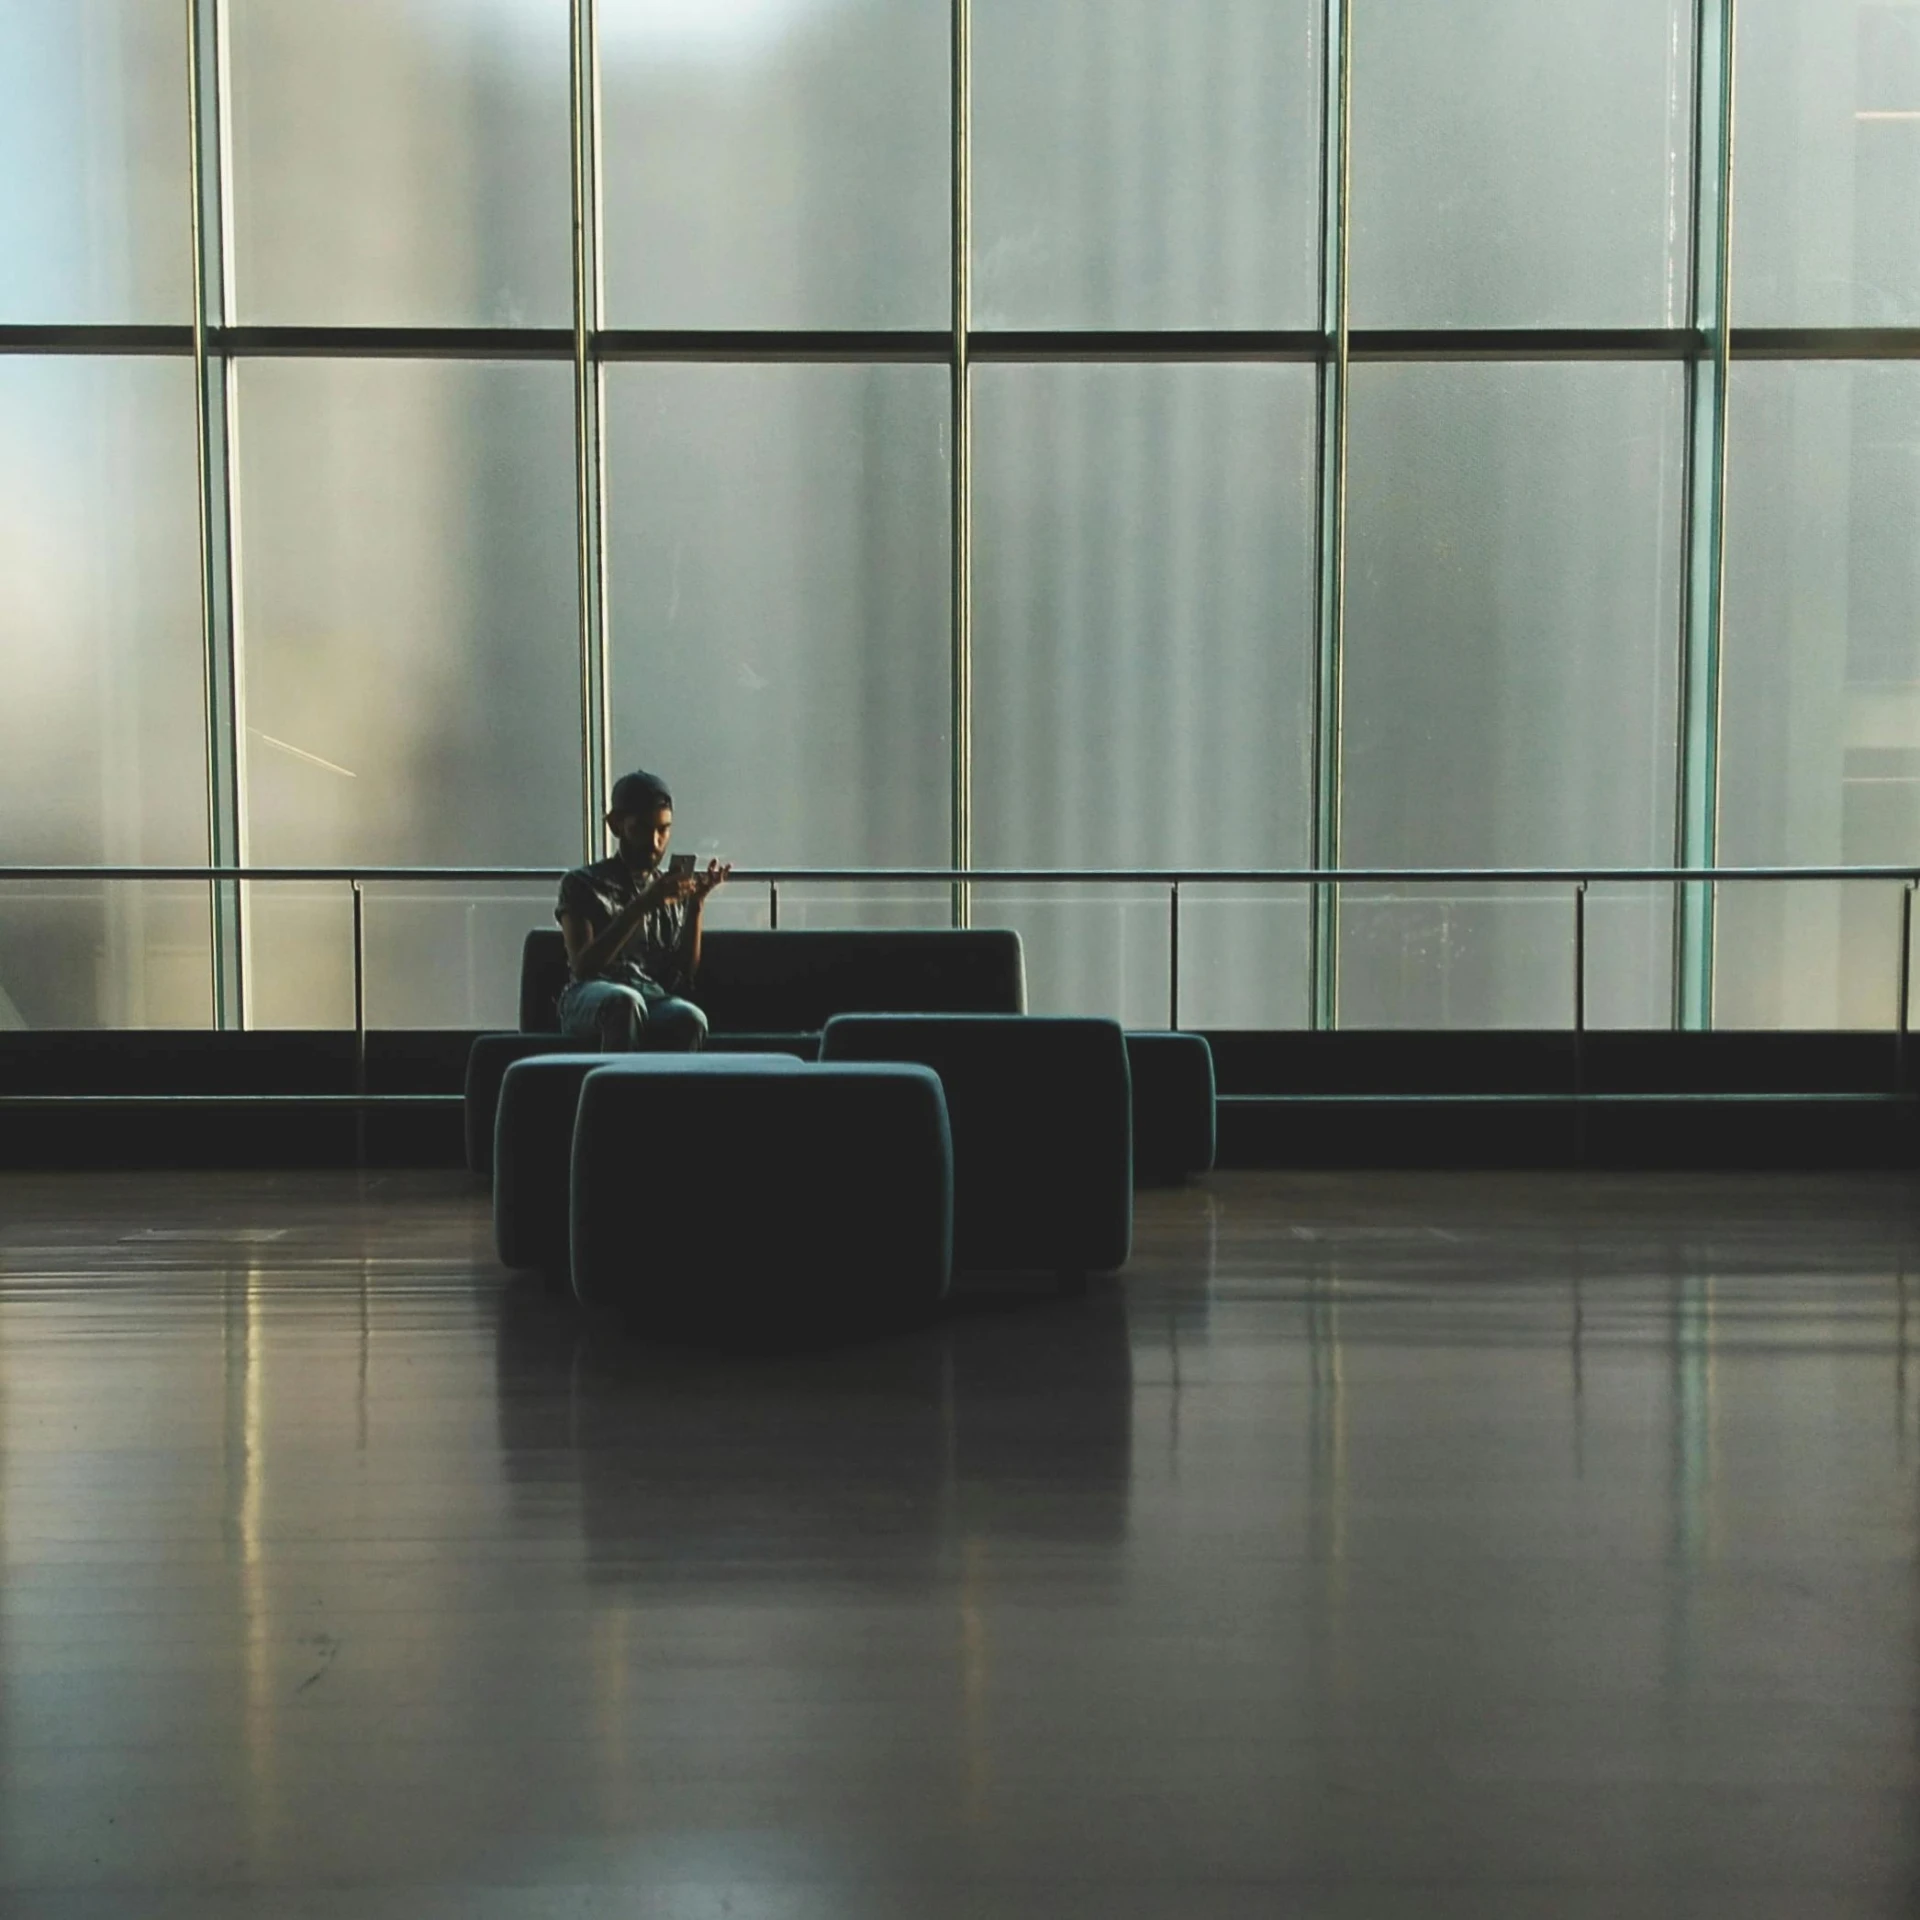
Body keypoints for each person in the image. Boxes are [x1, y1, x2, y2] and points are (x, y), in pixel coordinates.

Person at [554, 769, 730, 1051]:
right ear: (616, 825)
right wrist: (642, 906)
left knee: (690, 1018)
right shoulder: (580, 884)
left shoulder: (667, 889)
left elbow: (684, 973)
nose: (655, 842)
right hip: (588, 995)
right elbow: (584, 967)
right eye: (643, 829)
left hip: (647, 993)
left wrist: (695, 905)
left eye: (663, 830)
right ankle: (617, 1093)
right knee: (624, 1002)